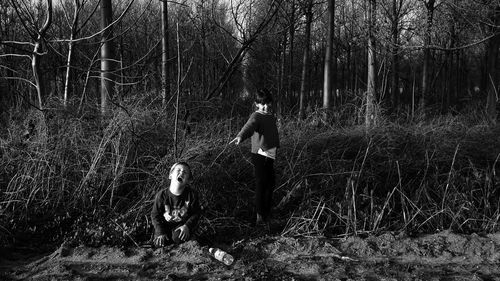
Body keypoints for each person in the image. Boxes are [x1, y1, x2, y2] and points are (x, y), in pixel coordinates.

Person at [230, 89, 280, 226]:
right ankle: (259, 216)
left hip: (270, 155)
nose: (266, 106)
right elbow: (249, 127)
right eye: (262, 104)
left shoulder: (270, 116)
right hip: (259, 155)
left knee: (270, 184)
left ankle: (266, 214)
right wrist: (241, 136)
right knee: (261, 184)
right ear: (256, 104)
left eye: (268, 103)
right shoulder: (256, 116)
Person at [151, 162, 201, 247]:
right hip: (164, 225)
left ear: (188, 180)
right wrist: (160, 232)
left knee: (178, 238)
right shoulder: (162, 195)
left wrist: (187, 226)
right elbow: (155, 215)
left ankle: (187, 238)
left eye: (185, 172)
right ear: (170, 175)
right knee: (159, 243)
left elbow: (196, 213)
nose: (181, 173)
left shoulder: (192, 195)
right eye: (178, 170)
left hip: (181, 225)